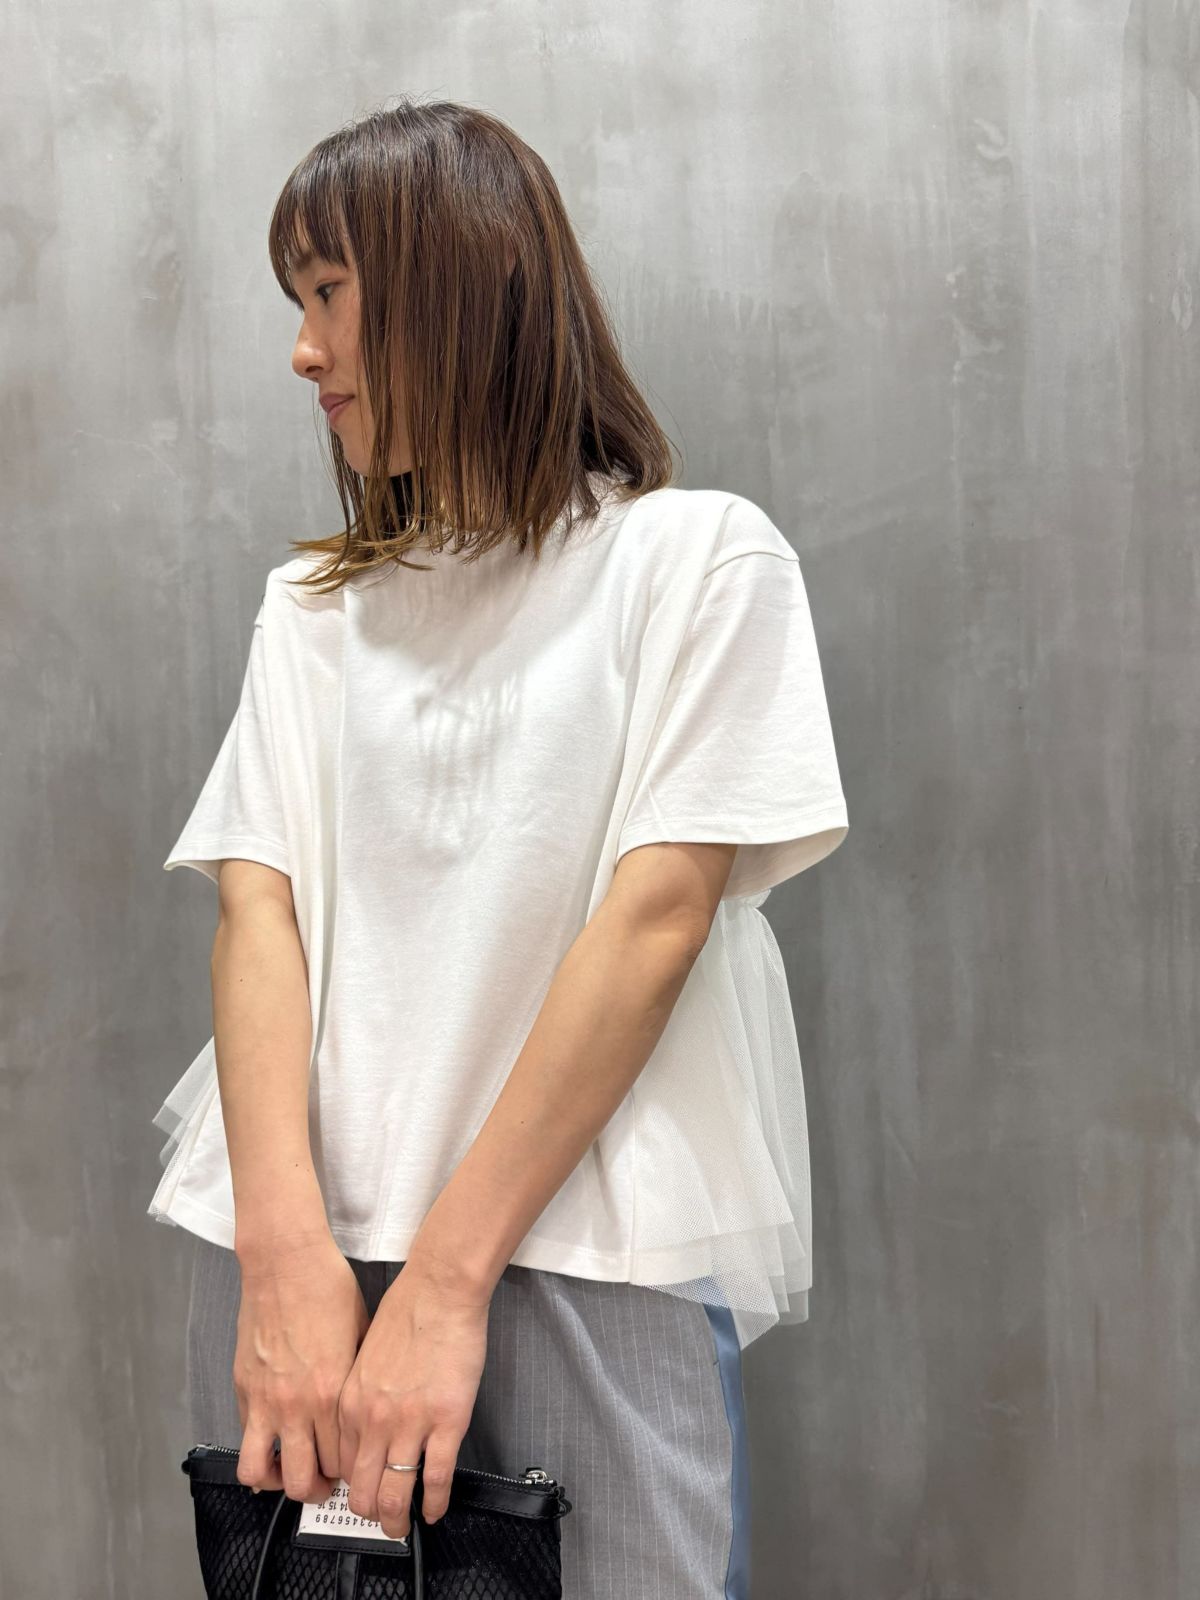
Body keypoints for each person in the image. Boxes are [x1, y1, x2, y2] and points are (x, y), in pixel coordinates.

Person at [149, 99, 850, 1598]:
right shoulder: (314, 610)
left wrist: (446, 1282)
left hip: (582, 1250)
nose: (302, 352)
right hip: (300, 1267)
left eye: (327, 293)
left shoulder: (698, 564)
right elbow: (256, 912)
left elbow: (658, 920)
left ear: (451, 285)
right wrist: (283, 1260)